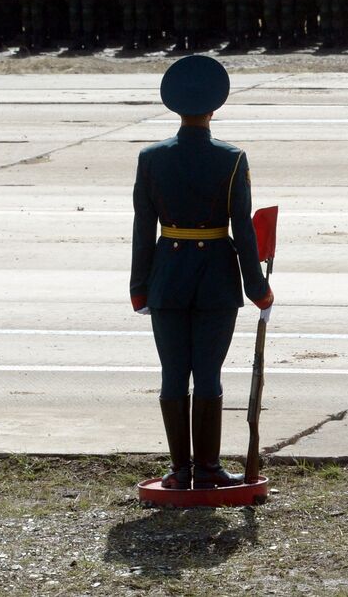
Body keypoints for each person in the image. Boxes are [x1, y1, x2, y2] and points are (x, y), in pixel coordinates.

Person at [130, 55, 274, 491]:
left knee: (173, 374)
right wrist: (258, 288)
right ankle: (208, 469)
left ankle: (180, 471)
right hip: (215, 276)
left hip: (167, 276)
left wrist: (139, 287)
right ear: (214, 108)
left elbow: (142, 227)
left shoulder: (151, 158)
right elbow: (243, 229)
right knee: (208, 374)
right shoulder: (231, 159)